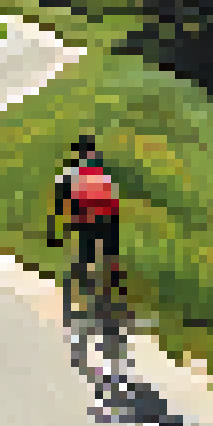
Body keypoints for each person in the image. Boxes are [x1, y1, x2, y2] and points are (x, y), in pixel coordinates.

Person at [49, 133, 124, 319]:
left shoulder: (71, 172)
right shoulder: (102, 169)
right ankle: (114, 290)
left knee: (87, 254)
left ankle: (86, 290)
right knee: (109, 254)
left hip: (87, 216)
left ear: (77, 153)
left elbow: (61, 203)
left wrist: (56, 232)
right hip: (110, 215)